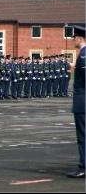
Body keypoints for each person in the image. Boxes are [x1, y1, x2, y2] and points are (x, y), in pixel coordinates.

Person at [67, 25, 85, 178]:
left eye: (74, 37)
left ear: (80, 38)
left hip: (82, 102)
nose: (73, 39)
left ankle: (83, 167)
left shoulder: (84, 55)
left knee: (83, 136)